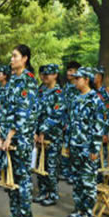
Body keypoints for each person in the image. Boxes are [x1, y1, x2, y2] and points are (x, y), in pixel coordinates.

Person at [0, 44, 38, 217]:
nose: (11, 59)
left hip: (20, 139)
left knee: (22, 179)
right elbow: (4, 110)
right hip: (7, 139)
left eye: (15, 56)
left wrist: (9, 137)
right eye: (11, 56)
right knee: (10, 179)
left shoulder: (28, 81)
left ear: (25, 58)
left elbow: (23, 113)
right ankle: (15, 216)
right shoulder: (13, 80)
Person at [64, 67, 104, 217]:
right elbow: (70, 123)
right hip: (75, 145)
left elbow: (99, 126)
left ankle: (87, 212)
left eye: (78, 78)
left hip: (87, 147)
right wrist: (68, 143)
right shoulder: (76, 98)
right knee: (77, 180)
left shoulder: (95, 100)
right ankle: (78, 209)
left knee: (88, 181)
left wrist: (95, 148)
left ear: (87, 79)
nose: (75, 81)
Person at [34, 63, 65, 206]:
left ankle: (52, 194)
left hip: (53, 136)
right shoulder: (41, 91)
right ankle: (43, 191)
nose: (45, 76)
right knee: (40, 165)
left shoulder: (59, 94)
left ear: (55, 75)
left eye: (49, 74)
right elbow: (35, 112)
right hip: (39, 136)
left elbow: (57, 115)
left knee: (52, 166)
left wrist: (43, 130)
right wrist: (35, 131)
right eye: (44, 74)